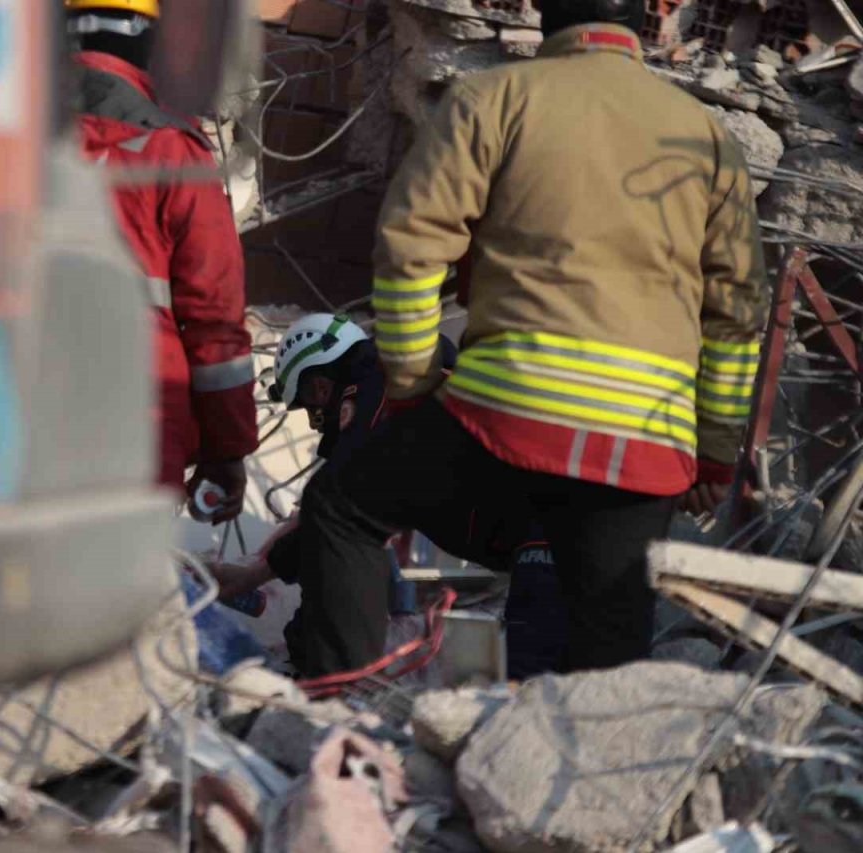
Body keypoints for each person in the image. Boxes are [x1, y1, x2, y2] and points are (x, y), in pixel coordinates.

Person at [289, 0, 769, 677]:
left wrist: (413, 383)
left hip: (505, 414)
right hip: (644, 442)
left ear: (548, 19)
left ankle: (335, 703)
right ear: (646, 26)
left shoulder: (493, 98)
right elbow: (738, 313)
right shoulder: (707, 136)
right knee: (610, 643)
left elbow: (409, 251)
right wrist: (715, 453)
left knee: (342, 507)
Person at [211, 314, 567, 678]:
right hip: (556, 527)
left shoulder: (374, 394)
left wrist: (300, 662)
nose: (321, 428)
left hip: (548, 529)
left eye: (316, 415)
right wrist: (264, 570)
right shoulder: (406, 395)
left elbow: (334, 529)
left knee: (534, 680)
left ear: (320, 388)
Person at [67, 0, 257, 520]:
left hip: (5, 429)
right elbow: (215, 318)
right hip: (134, 430)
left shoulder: (6, 140)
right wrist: (226, 449)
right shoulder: (174, 152)